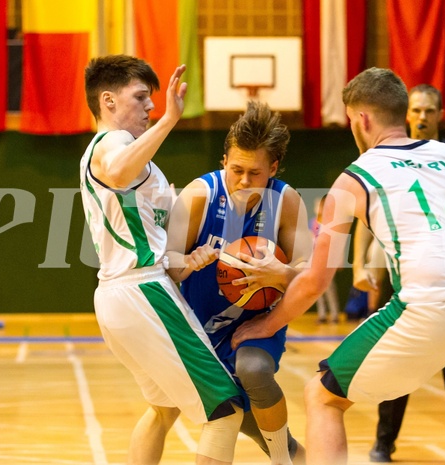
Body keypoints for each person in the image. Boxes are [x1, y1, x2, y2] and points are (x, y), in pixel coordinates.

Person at [232, 67, 445, 465]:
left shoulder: (355, 177)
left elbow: (316, 280)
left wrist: (265, 324)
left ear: (361, 120)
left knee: (322, 395)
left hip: (432, 300)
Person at [79, 55, 244, 465]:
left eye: (152, 100)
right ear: (108, 101)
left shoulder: (138, 160)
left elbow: (163, 255)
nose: (151, 107)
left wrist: (191, 260)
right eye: (141, 97)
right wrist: (170, 119)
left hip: (127, 292)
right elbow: (117, 172)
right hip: (142, 291)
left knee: (164, 408)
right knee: (226, 410)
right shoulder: (111, 143)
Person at [166, 101, 313, 465]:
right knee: (234, 417)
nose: (244, 181)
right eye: (236, 170)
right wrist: (187, 262)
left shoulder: (286, 201)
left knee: (254, 371)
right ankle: (291, 452)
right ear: (223, 162)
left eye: (255, 173)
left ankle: (283, 459)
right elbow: (165, 265)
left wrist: (280, 275)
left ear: (274, 168)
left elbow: (310, 274)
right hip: (200, 329)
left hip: (257, 324)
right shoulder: (200, 196)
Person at [352, 83, 445, 464]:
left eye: (430, 110)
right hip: (403, 276)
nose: (423, 116)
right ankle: (383, 443)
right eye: (416, 110)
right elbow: (365, 210)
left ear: (441, 114)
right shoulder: (384, 156)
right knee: (395, 365)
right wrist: (361, 264)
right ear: (405, 114)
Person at [310, 195, 341, 323]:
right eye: (319, 206)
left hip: (328, 259)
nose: (320, 208)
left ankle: (334, 314)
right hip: (315, 259)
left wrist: (338, 260)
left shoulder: (332, 223)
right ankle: (322, 315)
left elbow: (337, 243)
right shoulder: (312, 223)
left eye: (323, 206)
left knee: (329, 289)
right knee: (317, 289)